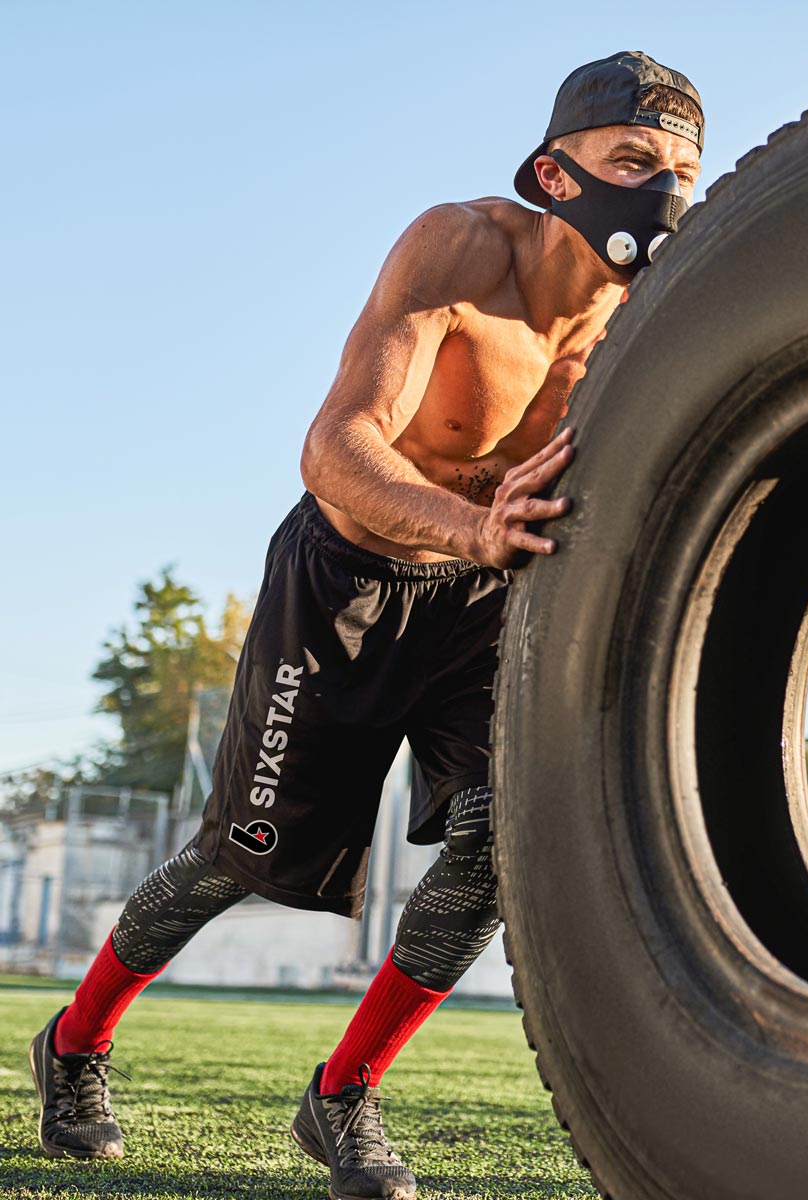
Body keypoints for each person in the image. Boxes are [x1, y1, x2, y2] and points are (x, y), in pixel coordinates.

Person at [28, 49, 704, 1200]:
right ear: (556, 172)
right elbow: (335, 446)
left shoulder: (650, 318)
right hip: (348, 576)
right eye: (634, 162)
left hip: (485, 598)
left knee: (493, 848)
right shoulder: (462, 250)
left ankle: (342, 1093)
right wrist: (467, 523)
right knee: (236, 858)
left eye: (685, 171)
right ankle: (76, 1041)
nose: (666, 194)